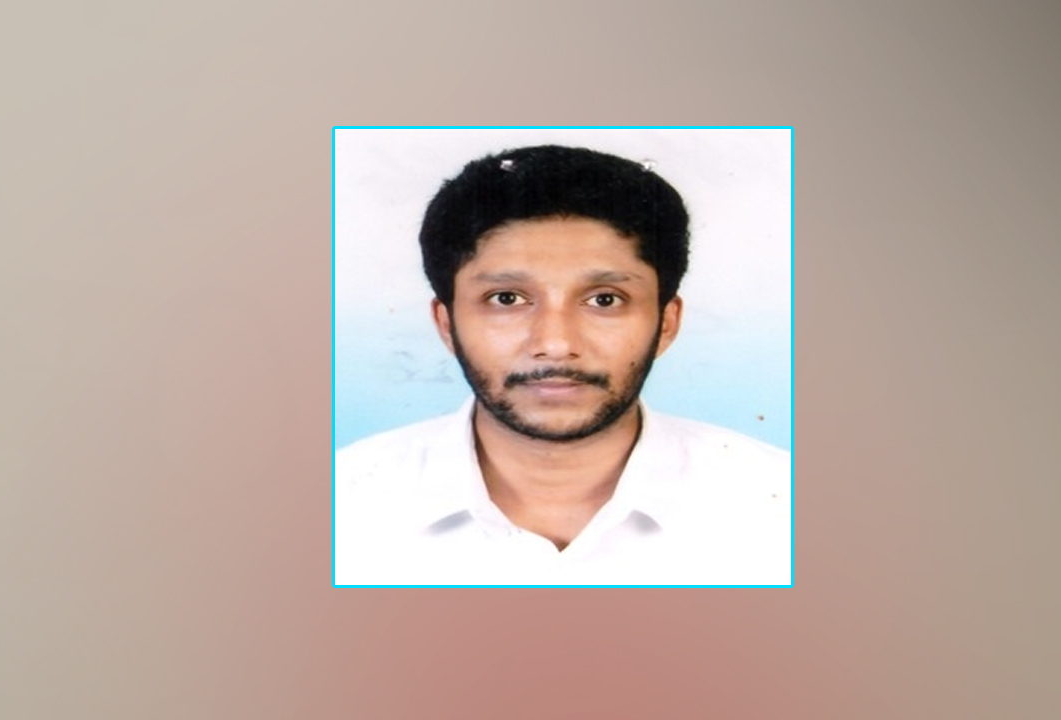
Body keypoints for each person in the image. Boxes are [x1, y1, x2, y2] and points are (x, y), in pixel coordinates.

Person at [334, 144, 791, 586]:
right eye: (506, 299)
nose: (555, 345)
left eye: (604, 300)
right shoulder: (339, 506)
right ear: (446, 324)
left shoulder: (783, 507)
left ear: (667, 323)